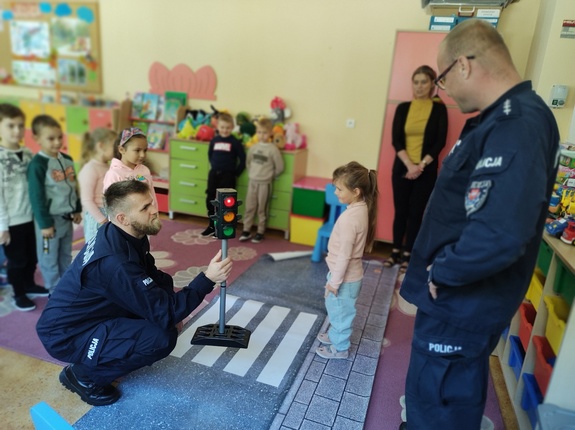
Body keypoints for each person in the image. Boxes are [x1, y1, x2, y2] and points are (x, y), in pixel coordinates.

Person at [399, 19, 560, 430]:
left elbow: (500, 232)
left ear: (464, 65)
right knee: (429, 396)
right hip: (454, 300)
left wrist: (444, 270)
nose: (442, 89)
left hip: (460, 299)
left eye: (442, 77)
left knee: (439, 406)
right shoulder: (497, 121)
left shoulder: (517, 123)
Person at [36, 180, 232, 406]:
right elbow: (167, 314)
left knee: (161, 295)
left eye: (151, 203)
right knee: (161, 337)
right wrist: (207, 279)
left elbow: (153, 278)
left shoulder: (127, 233)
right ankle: (83, 375)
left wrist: (168, 302)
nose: (154, 210)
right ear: (122, 218)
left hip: (92, 314)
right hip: (67, 335)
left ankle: (100, 355)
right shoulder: (116, 263)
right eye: (145, 208)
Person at [384, 65, 448, 274]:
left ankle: (408, 253)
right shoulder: (403, 108)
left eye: (424, 82)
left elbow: (440, 142)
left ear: (432, 84)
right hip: (402, 168)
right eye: (416, 82)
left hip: (425, 171)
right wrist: (409, 165)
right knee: (400, 211)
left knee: (415, 213)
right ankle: (394, 251)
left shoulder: (439, 109)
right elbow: (396, 140)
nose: (419, 86)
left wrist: (420, 166)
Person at [315, 161, 379, 359]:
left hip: (343, 277)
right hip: (345, 274)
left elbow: (345, 254)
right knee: (337, 310)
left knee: (342, 314)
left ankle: (340, 348)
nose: (335, 192)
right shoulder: (359, 208)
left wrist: (334, 282)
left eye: (339, 189)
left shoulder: (351, 217)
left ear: (356, 191)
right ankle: (335, 335)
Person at [0, 104, 49, 310]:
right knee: (17, 260)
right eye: (10, 126)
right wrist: (3, 225)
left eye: (20, 126)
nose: (17, 131)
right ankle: (18, 293)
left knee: (33, 255)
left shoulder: (28, 153)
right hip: (12, 221)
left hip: (32, 217)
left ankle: (29, 284)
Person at [28, 114, 82, 294]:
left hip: (66, 218)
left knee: (65, 254)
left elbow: (73, 186)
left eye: (60, 137)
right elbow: (36, 196)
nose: (57, 142)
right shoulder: (38, 164)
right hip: (48, 221)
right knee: (48, 256)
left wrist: (76, 209)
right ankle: (53, 290)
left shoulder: (66, 159)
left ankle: (66, 286)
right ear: (37, 139)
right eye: (51, 138)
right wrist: (44, 224)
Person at [239, 118, 284, 243]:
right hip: (252, 182)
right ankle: (246, 230)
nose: (261, 135)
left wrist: (269, 176)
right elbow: (248, 162)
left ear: (270, 133)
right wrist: (253, 173)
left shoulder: (273, 149)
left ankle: (260, 232)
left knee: (262, 209)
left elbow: (280, 167)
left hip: (265, 183)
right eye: (259, 132)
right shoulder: (253, 148)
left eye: (264, 132)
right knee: (249, 207)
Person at [201, 112, 246, 237]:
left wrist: (235, 173)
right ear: (218, 127)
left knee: (226, 202)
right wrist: (215, 167)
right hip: (214, 174)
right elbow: (210, 155)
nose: (225, 130)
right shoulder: (214, 141)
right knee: (210, 199)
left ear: (231, 127)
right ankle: (212, 225)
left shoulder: (235, 142)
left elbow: (243, 159)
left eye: (227, 127)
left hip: (228, 176)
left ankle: (224, 228)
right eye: (222, 127)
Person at [78, 128, 116, 243]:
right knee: (95, 247)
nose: (118, 150)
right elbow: (86, 200)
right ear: (101, 146)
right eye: (114, 146)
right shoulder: (90, 169)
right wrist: (101, 219)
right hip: (97, 217)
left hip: (108, 212)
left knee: (108, 246)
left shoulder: (107, 166)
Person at [102, 127, 157, 205]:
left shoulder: (145, 170)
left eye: (145, 150)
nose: (142, 155)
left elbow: (152, 196)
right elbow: (110, 204)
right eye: (137, 150)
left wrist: (155, 214)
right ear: (121, 150)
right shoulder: (114, 174)